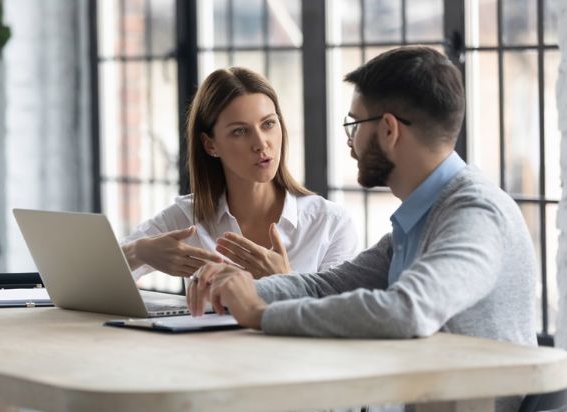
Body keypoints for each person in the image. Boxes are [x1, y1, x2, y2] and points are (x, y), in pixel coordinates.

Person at [187, 47, 536, 412]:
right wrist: (238, 287)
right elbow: (326, 285)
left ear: (388, 129)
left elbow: (405, 311)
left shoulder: (474, 212)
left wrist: (261, 314)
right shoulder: (424, 217)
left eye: (354, 124)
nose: (349, 141)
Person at [121, 67, 358, 283]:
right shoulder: (188, 218)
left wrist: (283, 279)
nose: (260, 143)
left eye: (268, 124)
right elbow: (88, 275)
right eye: (240, 131)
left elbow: (338, 316)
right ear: (210, 145)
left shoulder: (330, 223)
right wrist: (139, 252)